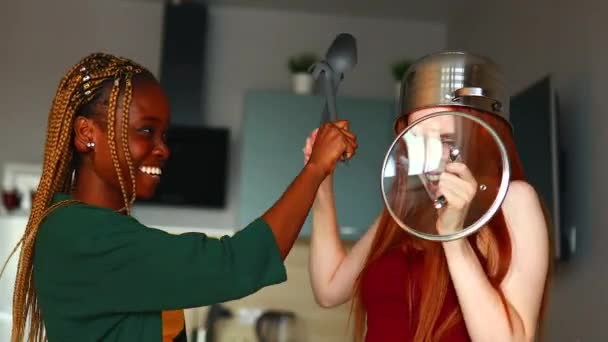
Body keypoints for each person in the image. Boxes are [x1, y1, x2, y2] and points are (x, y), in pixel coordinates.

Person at [1, 52, 358, 342]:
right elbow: (235, 264)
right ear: (86, 133)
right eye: (146, 131)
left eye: (163, 135)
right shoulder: (81, 233)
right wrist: (314, 170)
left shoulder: (93, 228)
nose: (163, 149)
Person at [303, 51, 551, 341]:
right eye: (418, 141)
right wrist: (320, 179)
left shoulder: (512, 202)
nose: (432, 164)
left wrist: (454, 237)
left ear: (483, 137)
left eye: (447, 141)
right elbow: (330, 289)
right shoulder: (407, 205)